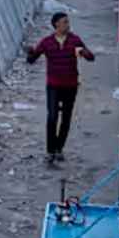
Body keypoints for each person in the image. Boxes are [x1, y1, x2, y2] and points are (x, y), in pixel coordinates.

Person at [27, 12, 95, 164]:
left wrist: (84, 52)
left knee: (66, 119)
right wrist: (30, 52)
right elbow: (32, 60)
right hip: (53, 86)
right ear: (56, 24)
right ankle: (50, 150)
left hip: (70, 86)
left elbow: (91, 57)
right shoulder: (46, 42)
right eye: (64, 22)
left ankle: (59, 149)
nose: (67, 25)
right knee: (52, 118)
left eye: (68, 22)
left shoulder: (75, 40)